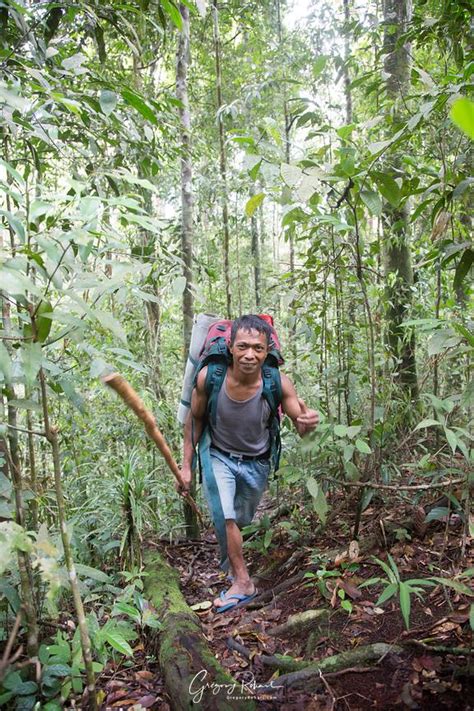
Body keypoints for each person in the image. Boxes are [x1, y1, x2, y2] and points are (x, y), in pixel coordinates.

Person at [178, 314, 319, 612]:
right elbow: (194, 421)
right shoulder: (209, 378)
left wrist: (307, 422)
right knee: (225, 514)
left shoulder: (277, 382)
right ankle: (243, 582)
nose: (249, 354)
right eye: (242, 346)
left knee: (240, 519)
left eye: (257, 348)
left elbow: (297, 418)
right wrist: (187, 466)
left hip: (258, 462)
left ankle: (232, 561)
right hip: (218, 455)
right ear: (230, 347)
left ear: (267, 351)